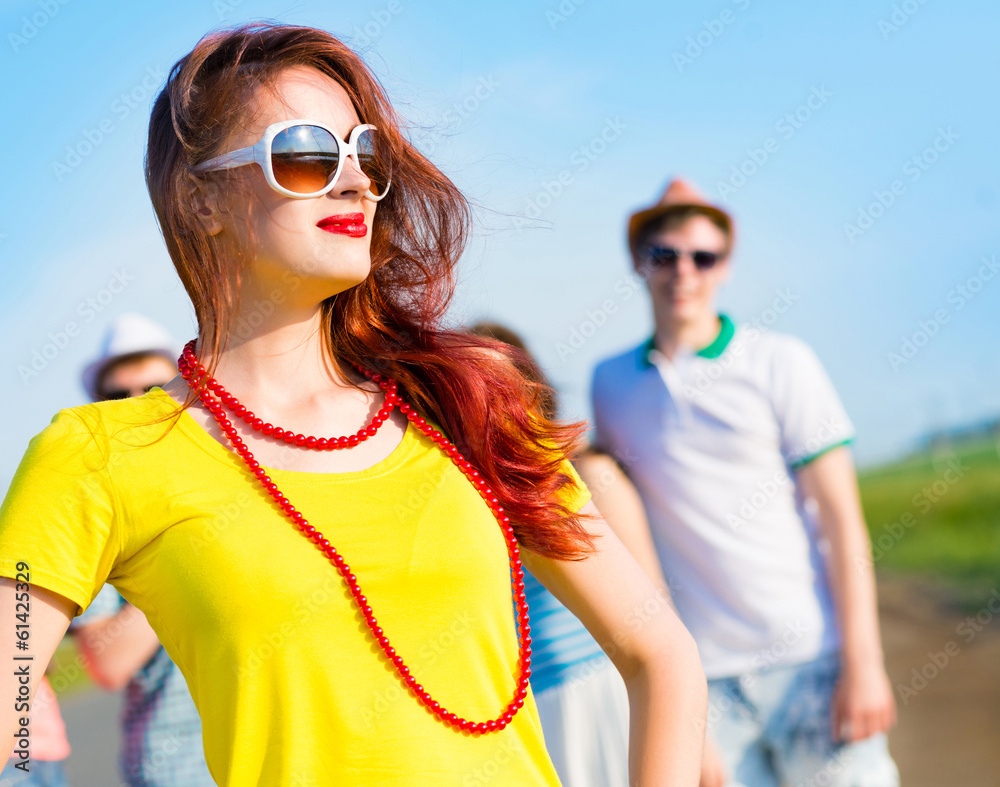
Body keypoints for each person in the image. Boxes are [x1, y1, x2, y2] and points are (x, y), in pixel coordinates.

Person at [0, 24, 707, 786]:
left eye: (364, 154)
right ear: (201, 198)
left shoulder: (468, 403)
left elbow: (659, 650)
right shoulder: (101, 454)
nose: (354, 181)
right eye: (306, 153)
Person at [591, 178, 899, 787]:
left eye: (702, 256)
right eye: (665, 254)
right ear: (638, 261)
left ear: (725, 266)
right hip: (708, 684)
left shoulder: (781, 361)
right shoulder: (610, 384)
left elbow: (842, 521)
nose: (684, 271)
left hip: (813, 659)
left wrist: (864, 664)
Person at [468, 322, 675, 787]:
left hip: (607, 689)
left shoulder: (588, 473)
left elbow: (655, 604)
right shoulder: (469, 501)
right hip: (533, 714)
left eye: (504, 385)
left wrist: (698, 740)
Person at [72, 313, 214, 786]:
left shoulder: (241, 471)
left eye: (154, 389)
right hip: (178, 770)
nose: (137, 406)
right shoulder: (98, 511)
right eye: (117, 396)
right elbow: (107, 664)